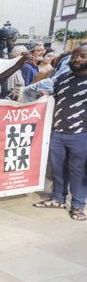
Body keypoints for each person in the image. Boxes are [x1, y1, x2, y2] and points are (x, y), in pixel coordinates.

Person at [33, 44, 87, 221]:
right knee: (57, 168)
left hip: (81, 135)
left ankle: (78, 205)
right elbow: (50, 94)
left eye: (82, 56)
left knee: (78, 171)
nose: (77, 60)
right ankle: (58, 199)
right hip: (57, 132)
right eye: (74, 57)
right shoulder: (63, 78)